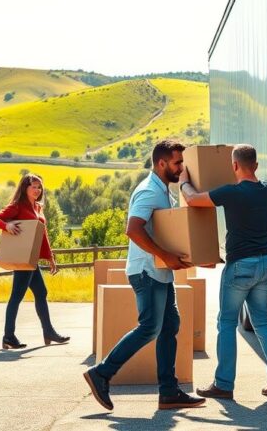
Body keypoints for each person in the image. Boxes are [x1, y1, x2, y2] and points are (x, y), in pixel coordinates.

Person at [83, 140, 205, 411]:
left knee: (169, 327)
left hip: (160, 272)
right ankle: (101, 373)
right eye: (177, 163)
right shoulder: (149, 191)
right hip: (146, 272)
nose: (181, 168)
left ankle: (169, 392)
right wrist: (165, 255)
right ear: (161, 163)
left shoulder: (163, 191)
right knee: (150, 327)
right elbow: (133, 229)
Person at [178, 144, 267, 400]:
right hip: (266, 264)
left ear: (234, 166)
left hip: (240, 266)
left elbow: (193, 200)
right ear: (257, 166)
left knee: (226, 323)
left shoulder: (231, 193)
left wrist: (184, 181)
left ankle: (224, 384)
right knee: (263, 322)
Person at [0, 173, 69, 349]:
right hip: (22, 258)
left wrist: (50, 257)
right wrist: (7, 226)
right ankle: (9, 336)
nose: (38, 190)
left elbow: (43, 235)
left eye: (40, 187)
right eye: (34, 186)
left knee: (41, 292)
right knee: (17, 296)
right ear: (25, 188)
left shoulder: (38, 208)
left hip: (32, 260)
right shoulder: (18, 206)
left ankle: (48, 332)